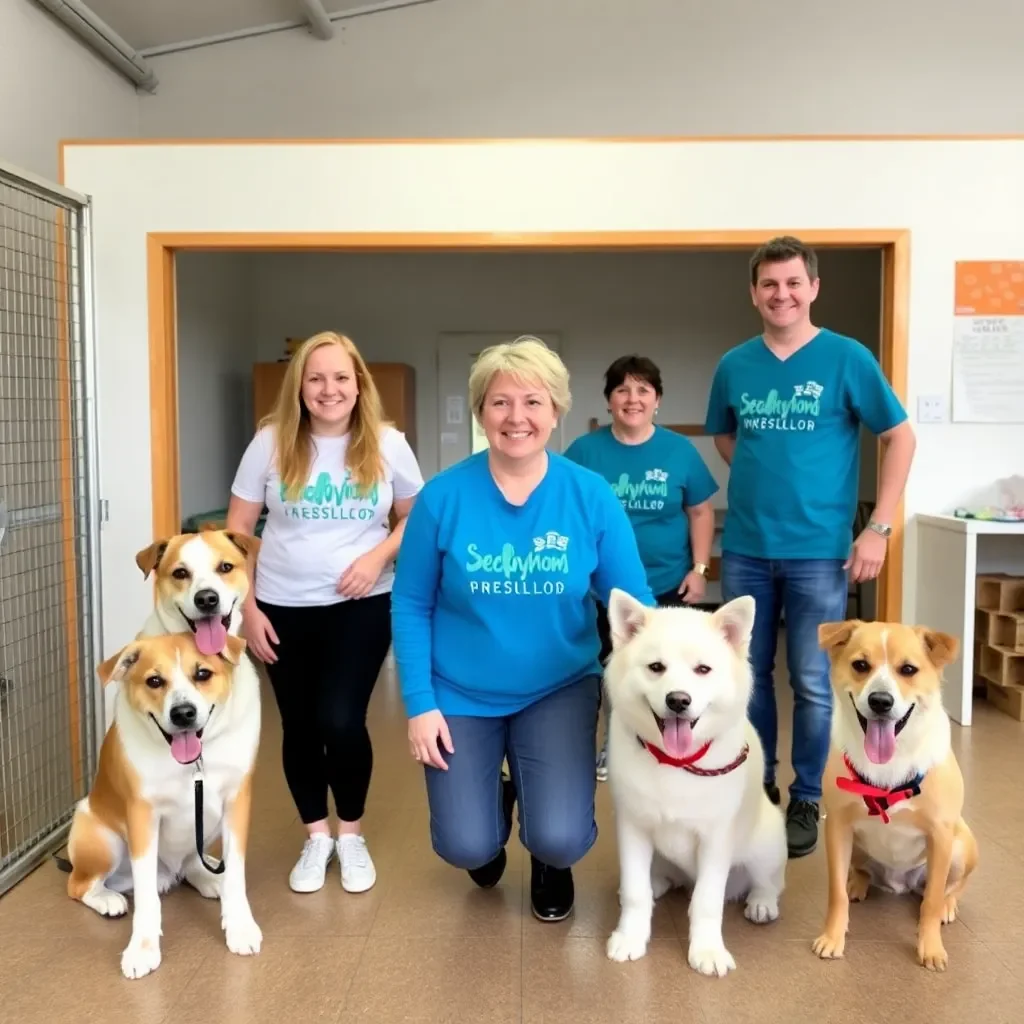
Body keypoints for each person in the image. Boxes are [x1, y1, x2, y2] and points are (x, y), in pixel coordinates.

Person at [390, 336, 654, 922]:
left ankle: (546, 855)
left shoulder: (590, 496)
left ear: (555, 411)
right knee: (466, 846)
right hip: (459, 692)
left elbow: (635, 608)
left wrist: (655, 687)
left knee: (561, 836)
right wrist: (419, 704)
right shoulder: (442, 498)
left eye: (533, 402)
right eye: (500, 403)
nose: (516, 418)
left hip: (558, 687)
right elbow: (410, 605)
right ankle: (497, 805)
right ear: (481, 412)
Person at [704, 236, 916, 859]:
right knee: (749, 675)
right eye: (769, 284)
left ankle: (806, 797)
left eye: (793, 282)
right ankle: (758, 784)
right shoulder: (735, 365)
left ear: (813, 288)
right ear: (754, 292)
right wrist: (765, 478)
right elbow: (724, 435)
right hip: (745, 546)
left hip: (820, 553)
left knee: (815, 682)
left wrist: (878, 526)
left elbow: (900, 439)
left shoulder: (847, 358)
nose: (782, 294)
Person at [227, 331, 424, 894]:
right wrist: (249, 609)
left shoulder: (388, 444)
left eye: (341, 377)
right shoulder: (269, 442)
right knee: (300, 726)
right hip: (281, 608)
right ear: (300, 386)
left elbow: (417, 518)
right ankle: (316, 837)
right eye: (316, 378)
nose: (328, 389)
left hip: (360, 605)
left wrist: (377, 556)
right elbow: (237, 533)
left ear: (359, 386)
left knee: (340, 719)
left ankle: (351, 834)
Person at [564, 355, 719, 781]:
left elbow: (700, 512)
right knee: (596, 673)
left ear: (657, 401)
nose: (633, 398)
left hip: (664, 587)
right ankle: (604, 747)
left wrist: (700, 569)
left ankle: (660, 747)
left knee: (659, 674)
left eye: (643, 390)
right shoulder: (584, 452)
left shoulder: (678, 451)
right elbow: (565, 515)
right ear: (609, 401)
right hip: (597, 592)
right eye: (622, 390)